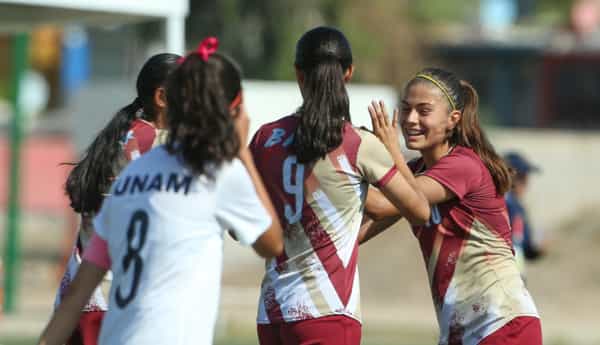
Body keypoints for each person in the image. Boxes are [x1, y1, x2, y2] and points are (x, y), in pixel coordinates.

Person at [39, 37, 284, 345]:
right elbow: (271, 242)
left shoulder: (125, 146)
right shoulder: (199, 165)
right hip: (125, 306)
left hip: (89, 295)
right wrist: (240, 154)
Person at [250, 26, 430, 345]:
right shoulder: (356, 143)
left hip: (272, 314)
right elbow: (419, 210)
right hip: (327, 313)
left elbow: (245, 226)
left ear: (298, 74)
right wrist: (393, 149)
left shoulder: (265, 139)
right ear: (348, 73)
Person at [366, 68, 542, 344]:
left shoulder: (463, 165)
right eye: (405, 109)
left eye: (423, 111)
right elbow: (371, 217)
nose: (410, 120)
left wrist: (387, 155)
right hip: (461, 331)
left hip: (500, 323)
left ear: (452, 119)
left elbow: (394, 201)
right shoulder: (415, 171)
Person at [55, 52, 179, 345]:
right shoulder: (157, 143)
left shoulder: (120, 134)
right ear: (162, 97)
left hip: (80, 293)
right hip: (113, 300)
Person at [504, 151, 546, 278]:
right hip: (505, 278)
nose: (526, 183)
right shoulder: (505, 205)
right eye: (522, 178)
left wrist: (536, 250)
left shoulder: (516, 206)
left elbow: (523, 246)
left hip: (515, 277)